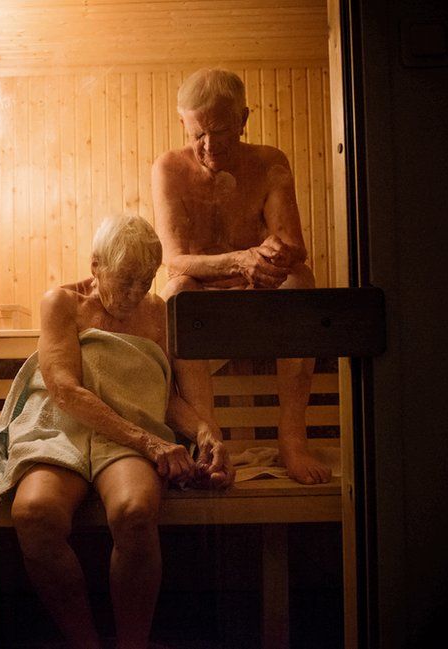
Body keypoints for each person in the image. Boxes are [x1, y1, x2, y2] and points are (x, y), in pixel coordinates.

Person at [0, 215, 232, 649]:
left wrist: (205, 432)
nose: (136, 293)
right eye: (125, 280)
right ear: (96, 265)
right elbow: (63, 389)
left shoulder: (159, 315)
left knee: (134, 512)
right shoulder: (62, 303)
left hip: (132, 431)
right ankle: (86, 643)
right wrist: (149, 442)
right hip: (61, 427)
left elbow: (163, 398)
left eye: (146, 280)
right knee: (34, 513)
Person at [152, 68, 332, 485]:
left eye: (222, 131)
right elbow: (175, 261)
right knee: (175, 293)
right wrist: (239, 261)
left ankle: (292, 440)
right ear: (184, 123)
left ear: (244, 119)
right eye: (199, 134)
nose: (210, 146)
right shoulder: (169, 169)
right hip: (202, 289)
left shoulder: (269, 162)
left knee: (302, 282)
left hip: (259, 288)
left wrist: (272, 259)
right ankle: (211, 443)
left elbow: (292, 245)